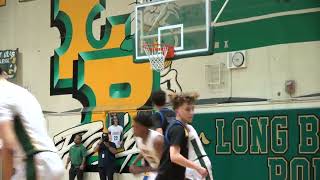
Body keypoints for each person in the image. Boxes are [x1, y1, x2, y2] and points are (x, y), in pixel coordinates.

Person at [0, 67, 64, 180]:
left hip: (34, 164)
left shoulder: (2, 93)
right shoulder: (24, 93)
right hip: (52, 159)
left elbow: (9, 145)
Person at [156, 92, 208, 180]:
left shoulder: (178, 126)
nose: (191, 113)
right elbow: (174, 156)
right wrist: (198, 168)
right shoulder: (178, 129)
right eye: (187, 109)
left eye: (193, 109)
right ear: (177, 110)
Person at [130, 111, 163, 180]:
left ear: (144, 128)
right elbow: (144, 150)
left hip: (169, 172)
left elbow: (165, 166)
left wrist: (141, 169)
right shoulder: (138, 138)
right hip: (155, 171)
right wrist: (134, 163)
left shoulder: (157, 141)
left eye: (136, 127)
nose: (133, 130)